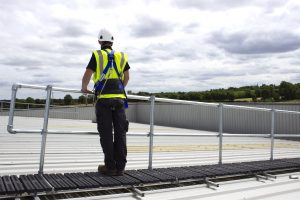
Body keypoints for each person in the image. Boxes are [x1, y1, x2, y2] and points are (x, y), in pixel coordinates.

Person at [81, 29, 130, 176]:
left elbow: (87, 75)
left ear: (99, 42)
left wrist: (84, 88)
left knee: (106, 133)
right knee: (121, 133)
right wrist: (119, 91)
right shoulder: (121, 56)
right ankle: (120, 167)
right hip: (120, 100)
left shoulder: (97, 55)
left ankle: (110, 167)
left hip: (103, 101)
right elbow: (127, 77)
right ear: (112, 42)